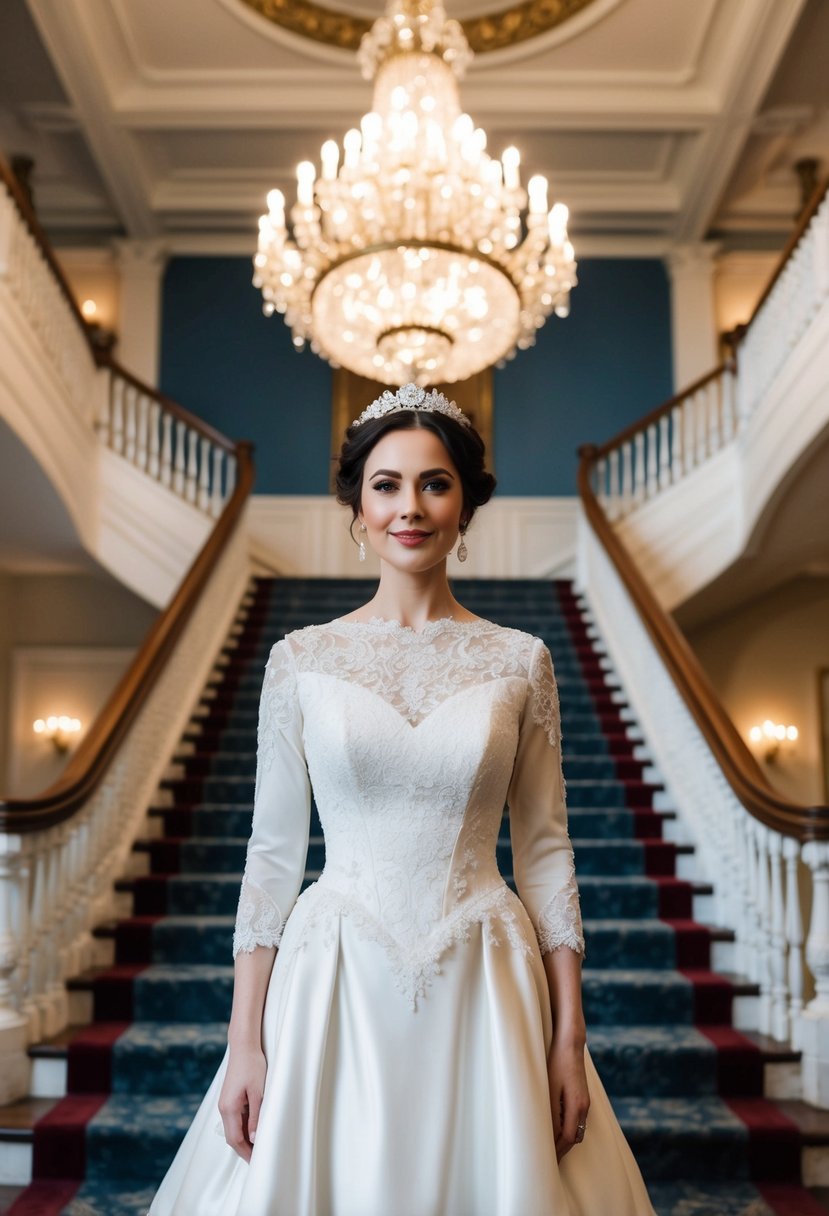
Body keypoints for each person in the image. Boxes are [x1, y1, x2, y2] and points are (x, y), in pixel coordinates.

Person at [147, 382, 656, 1215]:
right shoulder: (300, 659)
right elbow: (272, 860)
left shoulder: (521, 660)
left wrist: (569, 1038)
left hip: (486, 972)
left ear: (465, 504)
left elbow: (545, 853)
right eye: (384, 484)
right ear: (356, 505)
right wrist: (245, 1041)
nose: (408, 508)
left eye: (434, 482)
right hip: (333, 974)